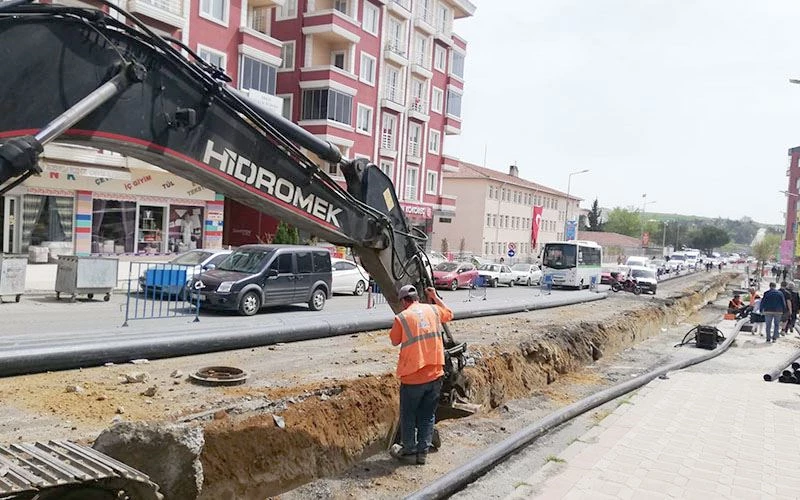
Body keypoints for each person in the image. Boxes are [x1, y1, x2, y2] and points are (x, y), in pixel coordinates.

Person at [389, 284, 453, 465]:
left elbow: (394, 341)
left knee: (409, 415)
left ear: (403, 301)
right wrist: (434, 296)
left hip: (413, 376)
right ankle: (422, 452)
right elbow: (449, 313)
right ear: (418, 298)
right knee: (427, 415)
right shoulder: (433, 310)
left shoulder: (402, 317)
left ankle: (409, 450)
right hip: (435, 374)